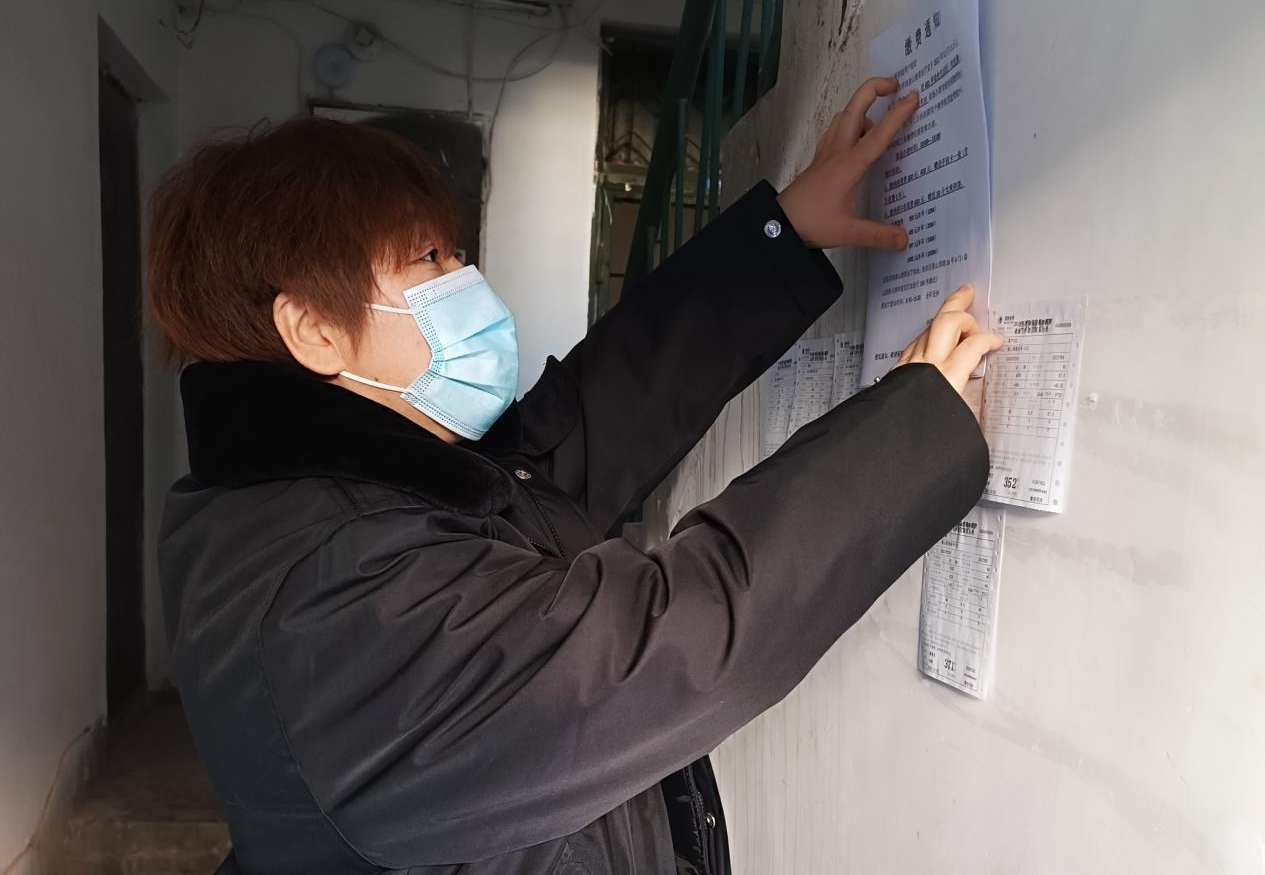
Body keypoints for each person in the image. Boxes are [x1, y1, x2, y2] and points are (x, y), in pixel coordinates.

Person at [152, 77, 1001, 875]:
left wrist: (781, 234)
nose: (465, 281)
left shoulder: (344, 490)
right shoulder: (332, 597)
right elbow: (660, 650)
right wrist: (909, 428)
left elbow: (581, 432)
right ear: (313, 330)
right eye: (428, 260)